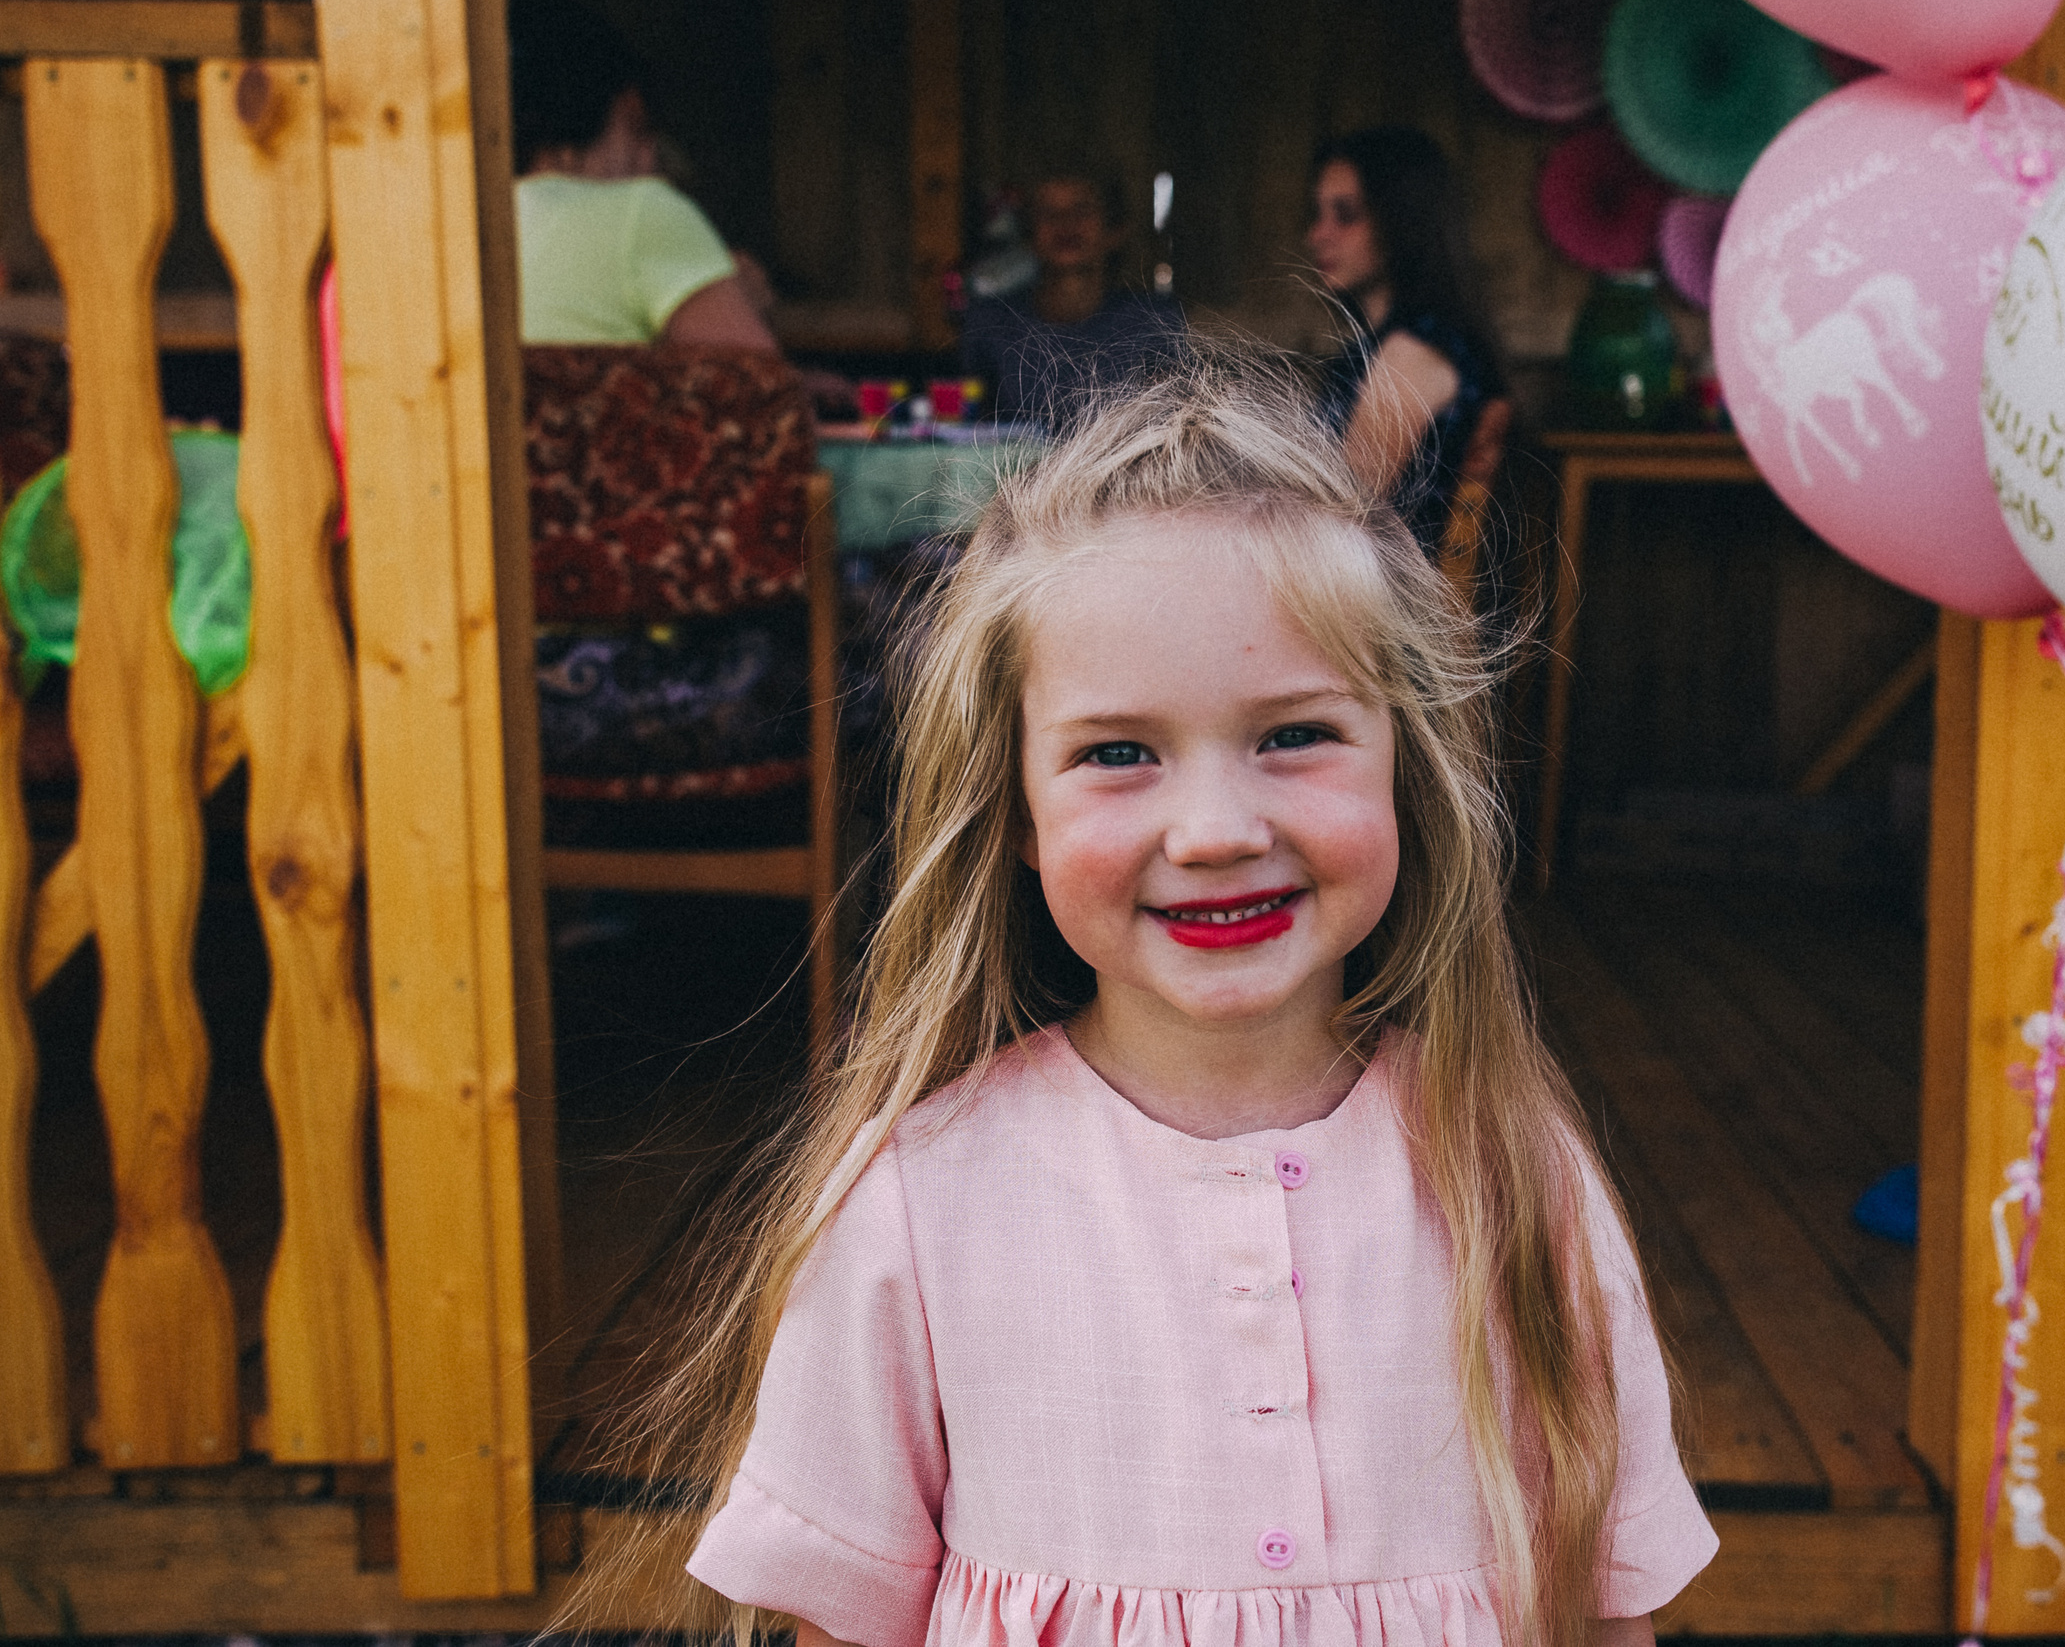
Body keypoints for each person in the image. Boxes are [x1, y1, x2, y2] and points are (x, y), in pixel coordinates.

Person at [634, 351, 1713, 1647]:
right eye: (1118, 752)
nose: (1212, 830)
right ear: (1015, 809)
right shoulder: (919, 1197)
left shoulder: (1512, 1167)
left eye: (1293, 734)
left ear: (1405, 765)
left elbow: (1608, 1604)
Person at [509, 0, 778, 351]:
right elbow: (759, 380)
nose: (649, 158)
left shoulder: (461, 228)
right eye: (636, 128)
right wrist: (742, 302)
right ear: (577, 120)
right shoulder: (641, 212)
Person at [1305, 126, 1506, 554]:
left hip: (1379, 586)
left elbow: (1342, 517)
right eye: (1318, 214)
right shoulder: (1393, 344)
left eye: (1346, 214)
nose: (1318, 234)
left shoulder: (1414, 353)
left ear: (1402, 220)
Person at [960, 167, 1184, 425]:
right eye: (1048, 212)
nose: (1065, 224)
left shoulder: (1151, 322)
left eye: (1082, 210)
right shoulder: (992, 323)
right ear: (1028, 231)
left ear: (1115, 229)